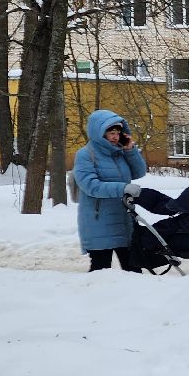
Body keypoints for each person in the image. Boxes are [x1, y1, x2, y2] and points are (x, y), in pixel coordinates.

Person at [73, 109, 149, 272]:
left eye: (118, 132)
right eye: (111, 133)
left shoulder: (119, 153)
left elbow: (139, 172)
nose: (115, 137)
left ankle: (137, 298)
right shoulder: (85, 155)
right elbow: (91, 186)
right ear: (99, 133)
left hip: (123, 219)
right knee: (101, 271)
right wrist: (123, 188)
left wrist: (130, 150)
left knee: (134, 271)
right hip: (99, 221)